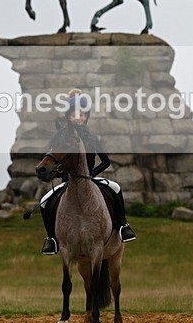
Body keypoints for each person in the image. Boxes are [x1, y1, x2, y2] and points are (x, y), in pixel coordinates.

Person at [38, 89, 136, 255]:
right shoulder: (61, 137)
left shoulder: (92, 136)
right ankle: (51, 239)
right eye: (74, 115)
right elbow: (55, 159)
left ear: (87, 116)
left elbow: (105, 161)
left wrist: (92, 174)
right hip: (67, 180)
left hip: (91, 178)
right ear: (68, 117)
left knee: (116, 188)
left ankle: (123, 226)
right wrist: (61, 175)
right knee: (44, 201)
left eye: (82, 114)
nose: (78, 118)